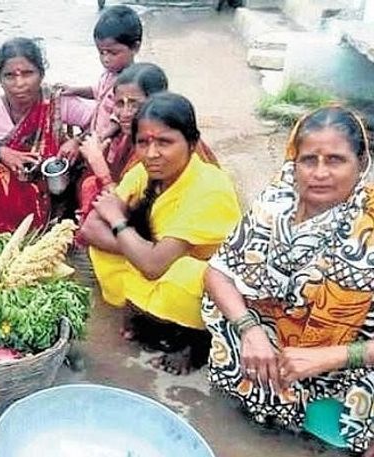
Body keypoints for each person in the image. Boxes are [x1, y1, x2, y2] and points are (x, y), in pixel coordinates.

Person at [202, 106, 374, 455]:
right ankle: (274, 403)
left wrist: (331, 357)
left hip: (355, 354)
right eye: (309, 159)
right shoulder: (275, 205)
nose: (320, 173)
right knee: (231, 315)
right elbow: (217, 271)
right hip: (282, 336)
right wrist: (250, 330)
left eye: (336, 160)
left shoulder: (366, 226)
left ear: (361, 164)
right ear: (293, 162)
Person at [81, 92, 241, 374]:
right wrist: (143, 247)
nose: (152, 153)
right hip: (158, 256)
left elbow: (153, 266)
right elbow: (91, 227)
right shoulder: (146, 171)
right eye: (143, 142)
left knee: (186, 273)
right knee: (103, 248)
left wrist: (121, 224)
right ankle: (148, 315)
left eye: (165, 142)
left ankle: (197, 341)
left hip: (209, 280)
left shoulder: (211, 188)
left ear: (191, 143)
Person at [0, 37, 94, 233]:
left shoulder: (54, 101)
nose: (19, 83)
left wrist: (77, 141)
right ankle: (9, 232)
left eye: (28, 73)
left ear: (41, 74)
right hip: (19, 190)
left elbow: (99, 122)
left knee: (93, 162)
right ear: (0, 80)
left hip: (59, 183)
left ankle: (75, 223)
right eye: (10, 75)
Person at [77, 63, 219, 219]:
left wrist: (99, 166)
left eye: (134, 104)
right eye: (119, 104)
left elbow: (127, 213)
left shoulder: (161, 146)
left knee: (91, 187)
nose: (124, 113)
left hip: (179, 217)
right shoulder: (133, 132)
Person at [63, 5, 142, 142]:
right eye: (101, 52)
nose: (106, 59)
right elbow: (97, 91)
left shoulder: (132, 83)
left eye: (113, 53)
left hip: (110, 142)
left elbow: (118, 120)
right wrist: (74, 90)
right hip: (97, 133)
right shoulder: (109, 74)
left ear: (135, 47)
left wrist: (98, 139)